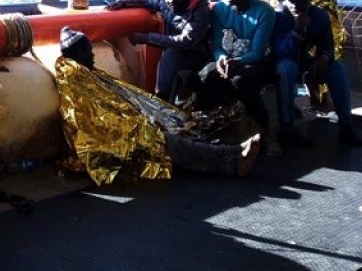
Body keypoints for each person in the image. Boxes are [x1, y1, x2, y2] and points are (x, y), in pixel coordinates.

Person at [55, 28, 259, 185]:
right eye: (88, 51)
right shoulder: (75, 81)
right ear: (78, 53)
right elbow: (96, 122)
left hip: (130, 127)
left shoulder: (86, 74)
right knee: (167, 142)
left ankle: (232, 152)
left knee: (186, 123)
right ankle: (230, 162)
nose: (92, 55)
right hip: (113, 142)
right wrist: (144, 126)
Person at [271, 0, 362, 148]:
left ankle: (346, 126)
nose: (296, 5)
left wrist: (323, 59)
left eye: (302, 2)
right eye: (292, 1)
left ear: (310, 2)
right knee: (287, 69)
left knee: (337, 69)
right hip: (281, 62)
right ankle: (287, 128)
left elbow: (328, 45)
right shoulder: (279, 16)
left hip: (305, 63)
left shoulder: (319, 16)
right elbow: (280, 51)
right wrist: (297, 30)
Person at [106, 0, 212, 102]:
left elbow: (186, 41)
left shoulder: (199, 9)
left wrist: (147, 38)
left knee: (171, 55)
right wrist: (123, 2)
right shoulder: (165, 3)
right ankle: (162, 97)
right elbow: (145, 1)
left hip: (198, 55)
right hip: (175, 52)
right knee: (170, 55)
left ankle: (163, 98)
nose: (171, 1)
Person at [196, 0, 275, 127]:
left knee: (241, 80)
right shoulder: (219, 9)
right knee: (207, 75)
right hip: (225, 59)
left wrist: (236, 62)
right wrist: (221, 59)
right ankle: (204, 125)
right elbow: (218, 45)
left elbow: (257, 52)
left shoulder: (264, 11)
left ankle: (265, 128)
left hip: (253, 61)